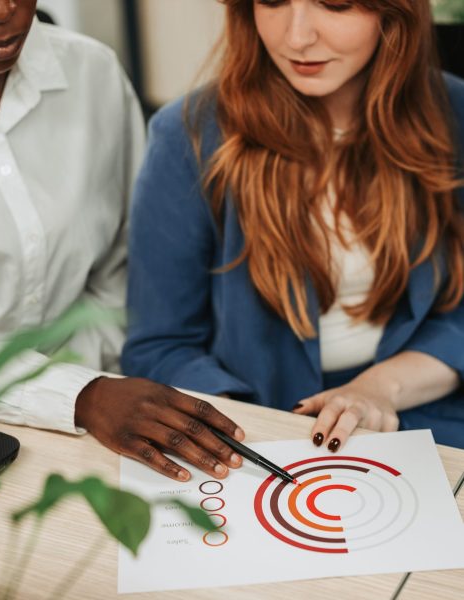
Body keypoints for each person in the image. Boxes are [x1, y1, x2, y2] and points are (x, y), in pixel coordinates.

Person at [122, 0, 464, 451]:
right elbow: (160, 346)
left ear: (395, 11)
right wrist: (243, 429)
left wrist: (379, 389)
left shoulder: (454, 113)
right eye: (272, 1)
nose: (297, 37)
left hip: (427, 409)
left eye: (335, 5)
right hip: (255, 428)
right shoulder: (188, 135)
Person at [0, 0, 246, 482]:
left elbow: (128, 262)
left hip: (105, 406)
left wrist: (110, 381)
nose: (1, 9)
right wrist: (78, 393)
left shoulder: (93, 73)